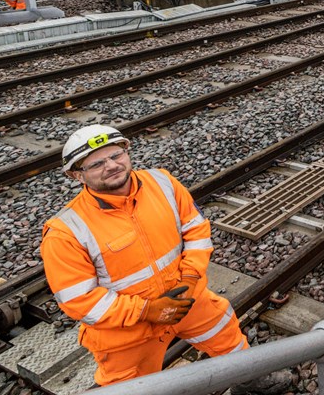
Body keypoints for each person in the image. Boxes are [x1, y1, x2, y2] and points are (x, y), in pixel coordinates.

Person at [40, 126, 291, 392]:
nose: (112, 166)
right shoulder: (66, 231)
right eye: (97, 163)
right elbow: (78, 299)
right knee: (130, 387)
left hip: (186, 298)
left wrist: (191, 277)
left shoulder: (162, 183)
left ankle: (252, 382)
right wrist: (147, 310)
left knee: (227, 337)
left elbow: (195, 229)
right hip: (128, 328)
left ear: (127, 152)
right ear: (76, 175)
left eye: (116, 155)